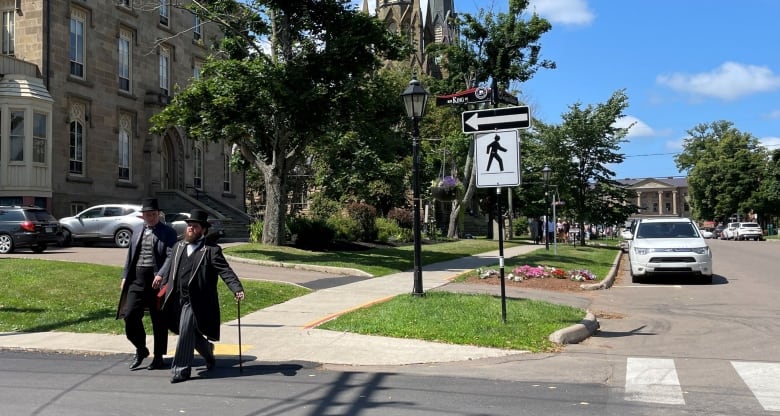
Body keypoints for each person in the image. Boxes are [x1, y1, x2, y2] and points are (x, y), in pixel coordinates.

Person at [159, 208, 245, 384]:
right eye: (189, 225)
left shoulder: (211, 250)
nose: (190, 229)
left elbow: (225, 271)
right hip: (176, 299)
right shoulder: (178, 246)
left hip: (196, 301)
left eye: (195, 226)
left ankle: (181, 370)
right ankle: (208, 351)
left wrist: (237, 288)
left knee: (185, 332)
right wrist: (162, 284)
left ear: (203, 230)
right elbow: (170, 269)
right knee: (187, 332)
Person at [116, 197, 178, 370]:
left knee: (158, 320)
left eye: (153, 214)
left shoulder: (168, 232)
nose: (150, 217)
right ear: (142, 216)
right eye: (147, 215)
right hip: (136, 279)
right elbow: (130, 256)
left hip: (156, 282)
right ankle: (141, 349)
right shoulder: (137, 231)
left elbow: (171, 255)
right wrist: (124, 277)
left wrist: (161, 274)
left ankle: (158, 356)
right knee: (129, 316)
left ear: (158, 214)